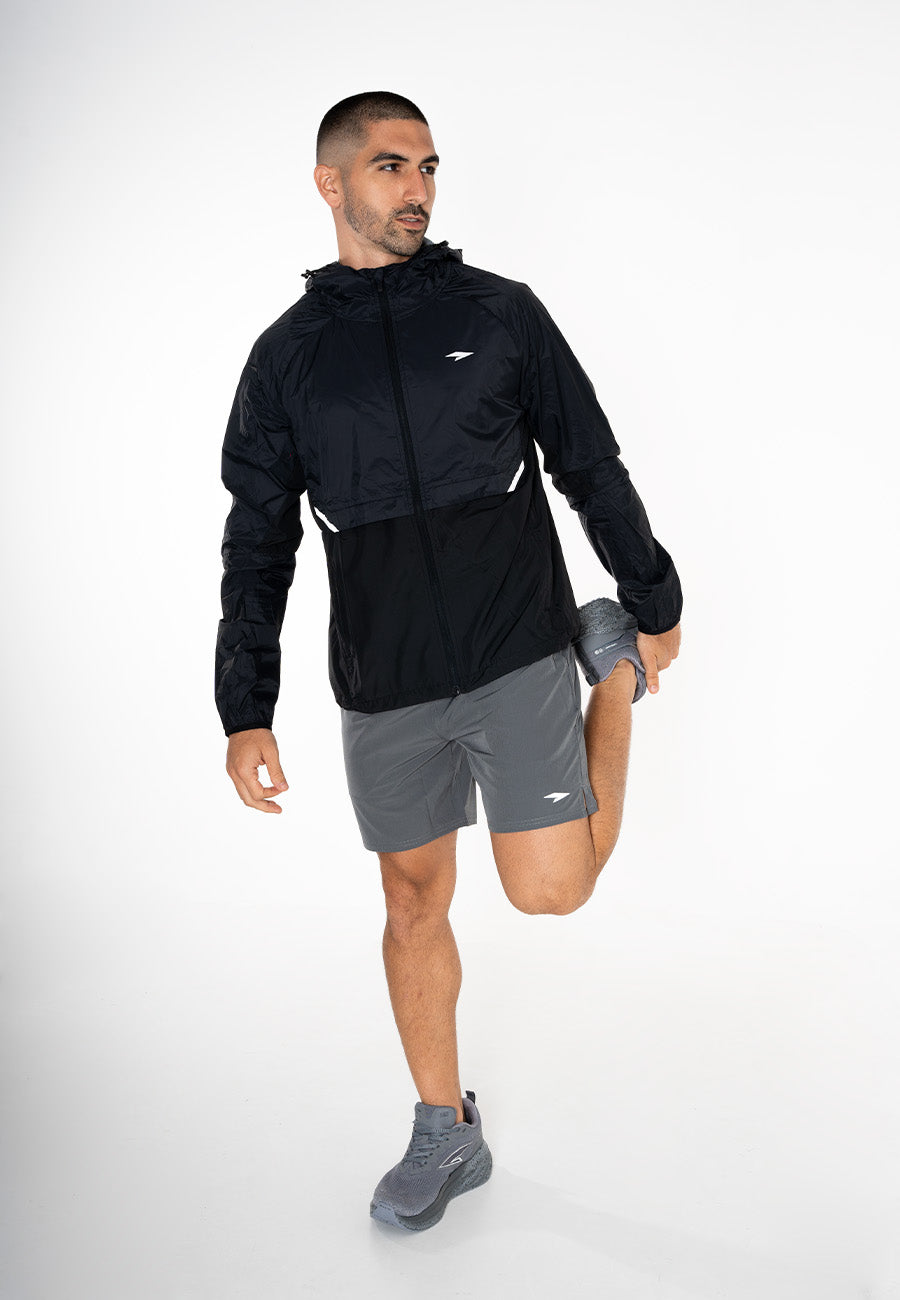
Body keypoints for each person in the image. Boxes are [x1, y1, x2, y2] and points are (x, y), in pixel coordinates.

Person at [215, 90, 683, 1232]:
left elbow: (588, 458)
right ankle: (444, 1126)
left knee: (551, 890)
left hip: (517, 642)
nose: (417, 188)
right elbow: (258, 540)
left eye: (427, 166)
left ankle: (610, 672)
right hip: (386, 680)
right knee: (411, 897)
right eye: (391, 166)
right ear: (331, 183)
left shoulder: (500, 313)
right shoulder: (286, 361)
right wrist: (245, 704)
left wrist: (651, 597)